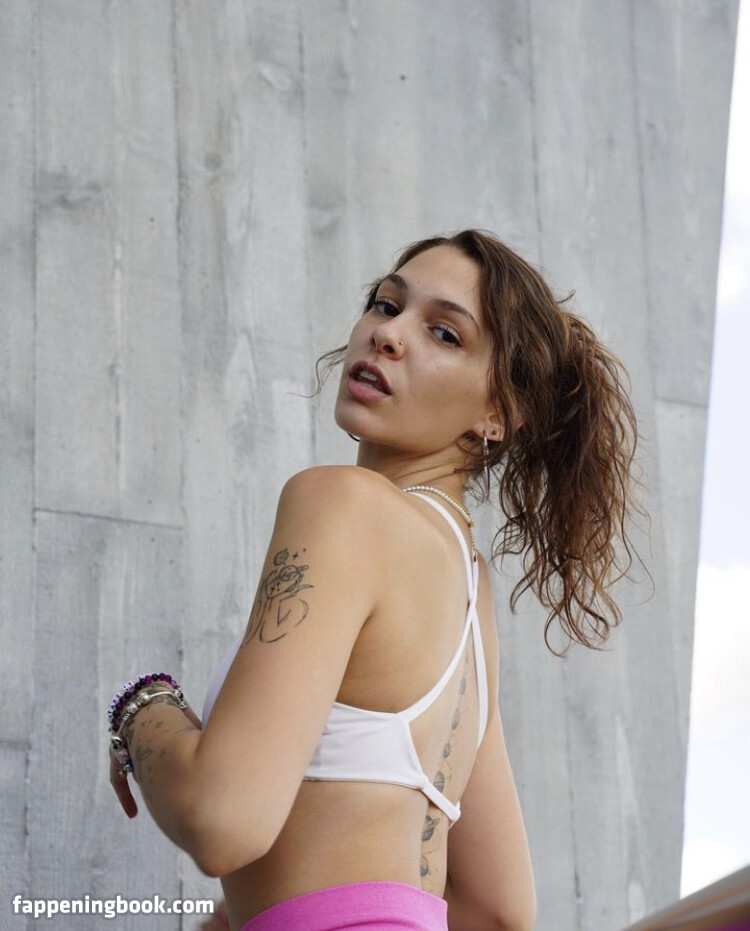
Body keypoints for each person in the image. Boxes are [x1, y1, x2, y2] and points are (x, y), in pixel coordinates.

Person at [109, 229, 646, 931]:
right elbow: (496, 910)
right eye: (387, 304)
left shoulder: (342, 504)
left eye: (445, 333)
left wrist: (140, 707)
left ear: (496, 415)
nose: (388, 334)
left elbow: (221, 817)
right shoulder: (468, 592)